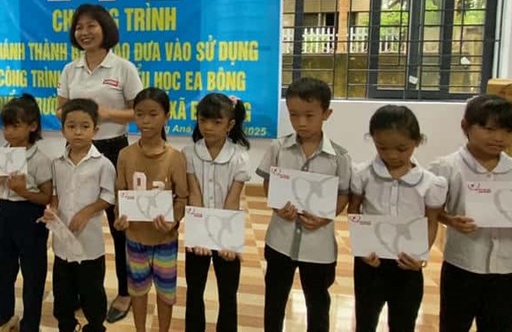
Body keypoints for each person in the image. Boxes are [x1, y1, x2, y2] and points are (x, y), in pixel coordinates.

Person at [56, 4, 143, 322]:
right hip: (77, 150)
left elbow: (139, 112)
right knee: (75, 218)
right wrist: (74, 118)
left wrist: (106, 114)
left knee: (120, 225)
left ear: (105, 28)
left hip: (114, 150)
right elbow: (60, 109)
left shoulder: (123, 68)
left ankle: (125, 292)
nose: (85, 32)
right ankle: (81, 289)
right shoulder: (70, 69)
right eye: (79, 27)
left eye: (91, 25)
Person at [256, 77, 352, 332]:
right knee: (274, 300)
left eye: (309, 115)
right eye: (293, 115)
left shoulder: (339, 156)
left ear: (326, 114)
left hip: (318, 247)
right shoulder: (278, 148)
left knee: (317, 304)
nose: (301, 122)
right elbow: (268, 182)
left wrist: (326, 217)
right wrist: (277, 206)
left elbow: (343, 195)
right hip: (280, 240)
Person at [349, 105, 446, 332]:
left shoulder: (430, 182)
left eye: (402, 149)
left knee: (403, 322)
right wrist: (361, 248)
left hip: (408, 266)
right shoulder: (363, 174)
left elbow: (431, 221)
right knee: (365, 320)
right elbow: (354, 211)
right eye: (382, 147)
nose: (392, 155)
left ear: (417, 141)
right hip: (370, 262)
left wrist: (421, 256)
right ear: (372, 140)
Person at [430, 95, 512, 332]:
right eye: (489, 129)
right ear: (465, 126)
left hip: (507, 268)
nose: (499, 138)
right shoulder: (446, 167)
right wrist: (450, 220)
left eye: (507, 131)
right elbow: (432, 210)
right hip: (463, 264)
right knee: (454, 324)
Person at [113, 88, 188, 332]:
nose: (145, 121)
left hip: (165, 239)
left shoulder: (175, 158)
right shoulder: (125, 155)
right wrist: (119, 218)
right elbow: (120, 193)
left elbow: (182, 197)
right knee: (137, 291)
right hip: (135, 238)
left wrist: (173, 221)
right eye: (140, 114)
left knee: (166, 293)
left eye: (153, 114)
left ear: (167, 116)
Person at [44, 98, 116, 332]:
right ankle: (66, 325)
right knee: (63, 293)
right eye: (71, 126)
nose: (77, 132)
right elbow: (55, 195)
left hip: (90, 245)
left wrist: (88, 211)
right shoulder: (56, 163)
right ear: (63, 130)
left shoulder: (103, 164)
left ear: (95, 130)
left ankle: (95, 326)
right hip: (63, 243)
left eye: (85, 126)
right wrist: (52, 210)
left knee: (92, 292)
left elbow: (109, 196)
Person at [183, 93, 250, 332]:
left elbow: (232, 201)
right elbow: (194, 196)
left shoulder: (240, 157)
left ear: (230, 124)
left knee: (228, 294)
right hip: (198, 234)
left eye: (216, 122)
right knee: (194, 290)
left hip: (227, 234)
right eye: (203, 120)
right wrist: (199, 237)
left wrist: (228, 242)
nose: (208, 127)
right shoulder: (189, 153)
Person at [0, 95, 52, 332]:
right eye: (5, 127)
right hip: (4, 213)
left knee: (33, 275)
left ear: (32, 126)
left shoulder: (40, 159)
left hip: (30, 216)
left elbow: (47, 197)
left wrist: (24, 192)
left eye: (15, 126)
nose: (9, 132)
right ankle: (4, 318)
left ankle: (30, 324)